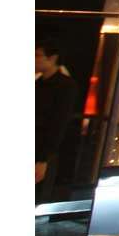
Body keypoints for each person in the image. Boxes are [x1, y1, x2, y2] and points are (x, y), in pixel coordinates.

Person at [36, 43, 80, 200]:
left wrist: (43, 158)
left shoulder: (65, 85)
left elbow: (58, 122)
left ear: (53, 58)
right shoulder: (38, 83)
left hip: (43, 149)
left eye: (38, 55)